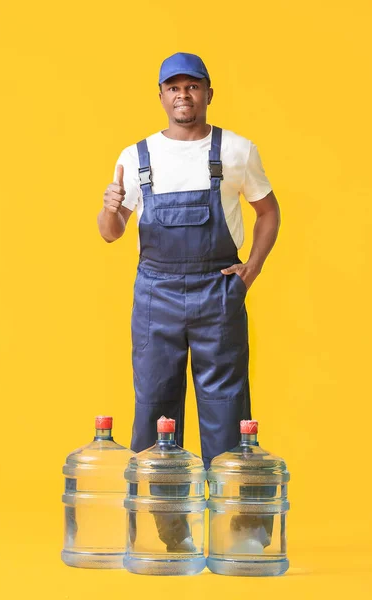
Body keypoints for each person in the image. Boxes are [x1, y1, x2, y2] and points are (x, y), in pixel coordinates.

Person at [97, 52, 280, 552]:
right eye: (173, 87)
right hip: (155, 293)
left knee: (226, 408)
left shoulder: (237, 150)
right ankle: (165, 532)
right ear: (160, 96)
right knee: (155, 408)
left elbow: (268, 211)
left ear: (208, 93)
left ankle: (237, 529)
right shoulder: (135, 157)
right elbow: (112, 234)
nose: (183, 95)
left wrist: (252, 269)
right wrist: (108, 212)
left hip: (217, 292)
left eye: (193, 86)